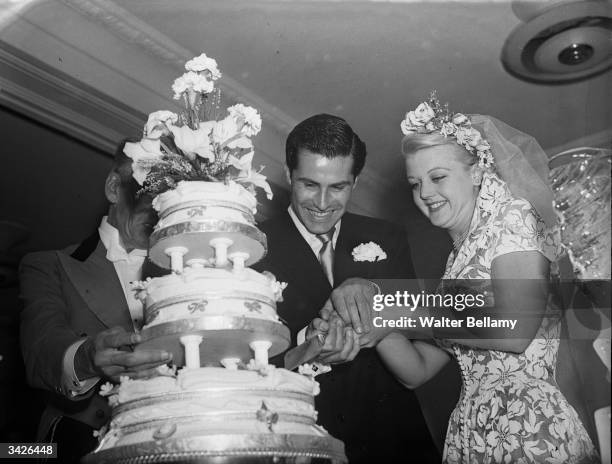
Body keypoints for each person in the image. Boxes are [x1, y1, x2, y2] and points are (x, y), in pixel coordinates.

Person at [368, 95, 599, 463]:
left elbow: (515, 329)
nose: (425, 192)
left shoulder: (512, 218)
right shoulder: (455, 262)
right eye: (415, 183)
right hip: (471, 432)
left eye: (437, 177)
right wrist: (371, 325)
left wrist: (399, 313)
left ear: (476, 172)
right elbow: (417, 370)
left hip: (527, 427)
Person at [254, 114, 439, 463]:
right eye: (309, 184)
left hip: (397, 444)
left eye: (338, 187)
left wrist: (373, 288)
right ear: (288, 173)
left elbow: (426, 327)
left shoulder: (388, 237)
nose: (322, 203)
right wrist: (304, 343)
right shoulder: (253, 248)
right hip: (306, 444)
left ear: (355, 181)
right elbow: (241, 368)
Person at [19, 140, 172, 463]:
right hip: (67, 446)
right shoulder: (48, 265)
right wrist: (88, 356)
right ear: (115, 187)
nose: (161, 209)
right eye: (151, 193)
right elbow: (41, 347)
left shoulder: (184, 278)